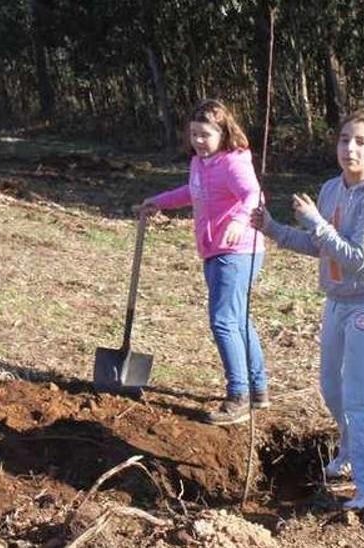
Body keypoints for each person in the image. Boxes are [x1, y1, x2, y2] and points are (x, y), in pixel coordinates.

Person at [252, 109, 364, 510]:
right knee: (331, 386)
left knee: (358, 398)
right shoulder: (329, 189)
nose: (350, 148)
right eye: (345, 140)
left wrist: (315, 222)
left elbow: (356, 257)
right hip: (336, 302)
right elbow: (320, 247)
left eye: (361, 142)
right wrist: (273, 228)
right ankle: (349, 453)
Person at [135, 99, 268, 425]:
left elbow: (254, 196)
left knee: (223, 322)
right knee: (238, 321)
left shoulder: (234, 163)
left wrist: (239, 220)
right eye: (194, 134)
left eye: (205, 134)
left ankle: (239, 396)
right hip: (215, 250)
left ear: (223, 133)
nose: (198, 140)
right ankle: (259, 389)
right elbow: (191, 192)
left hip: (238, 252)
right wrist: (159, 202)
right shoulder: (200, 163)